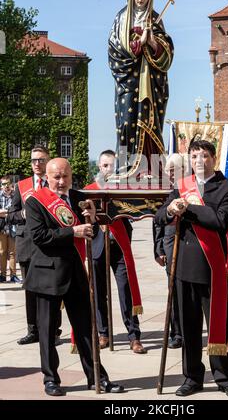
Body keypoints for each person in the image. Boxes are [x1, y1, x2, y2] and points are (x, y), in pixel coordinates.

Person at [24, 158, 124, 396]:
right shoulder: (36, 201)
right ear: (47, 177)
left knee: (86, 330)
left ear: (71, 175)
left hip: (76, 272)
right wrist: (73, 231)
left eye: (65, 176)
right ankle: (51, 379)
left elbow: (93, 232)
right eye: (56, 177)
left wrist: (91, 220)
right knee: (48, 332)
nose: (61, 181)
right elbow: (40, 237)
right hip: (47, 274)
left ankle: (97, 377)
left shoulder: (80, 198)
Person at [155, 140, 228, 398]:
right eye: (194, 156)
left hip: (212, 268)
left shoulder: (227, 188)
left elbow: (220, 221)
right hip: (184, 266)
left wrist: (188, 208)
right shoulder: (181, 186)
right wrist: (171, 209)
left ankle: (224, 378)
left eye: (204, 156)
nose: (199, 161)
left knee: (218, 324)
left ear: (213, 158)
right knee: (189, 327)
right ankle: (192, 377)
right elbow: (160, 217)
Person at [108, 0, 174, 176]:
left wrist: (153, 42)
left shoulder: (155, 18)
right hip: (129, 82)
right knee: (127, 122)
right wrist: (138, 43)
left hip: (151, 83)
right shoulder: (121, 18)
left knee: (150, 123)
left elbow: (166, 53)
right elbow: (115, 50)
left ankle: (152, 170)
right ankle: (127, 168)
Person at [86, 150, 147, 354]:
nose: (107, 169)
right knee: (99, 292)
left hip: (119, 246)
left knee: (125, 290)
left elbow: (137, 211)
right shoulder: (89, 191)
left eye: (111, 165)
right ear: (99, 168)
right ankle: (103, 333)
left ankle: (134, 336)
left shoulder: (124, 189)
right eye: (104, 165)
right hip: (97, 246)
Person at [7, 146, 61, 345]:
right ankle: (33, 330)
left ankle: (54, 329)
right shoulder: (22, 186)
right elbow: (11, 215)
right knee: (30, 289)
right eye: (34, 160)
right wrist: (21, 214)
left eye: (41, 160)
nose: (37, 164)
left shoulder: (54, 184)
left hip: (49, 243)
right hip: (27, 243)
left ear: (48, 161)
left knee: (51, 288)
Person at [153, 154, 188, 349]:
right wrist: (157, 249)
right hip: (169, 240)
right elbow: (156, 221)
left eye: (175, 169)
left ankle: (191, 329)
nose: (171, 173)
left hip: (190, 242)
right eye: (169, 169)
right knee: (173, 288)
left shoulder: (192, 188)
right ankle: (177, 333)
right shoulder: (165, 191)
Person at [0, 176, 19, 283]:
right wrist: (9, 212)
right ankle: (2, 274)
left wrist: (4, 212)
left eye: (8, 183)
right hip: (2, 228)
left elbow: (16, 212)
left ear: (12, 185)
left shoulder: (15, 196)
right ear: (1, 186)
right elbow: (11, 212)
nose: (6, 186)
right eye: (3, 184)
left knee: (12, 253)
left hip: (13, 228)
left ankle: (13, 275)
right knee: (2, 252)